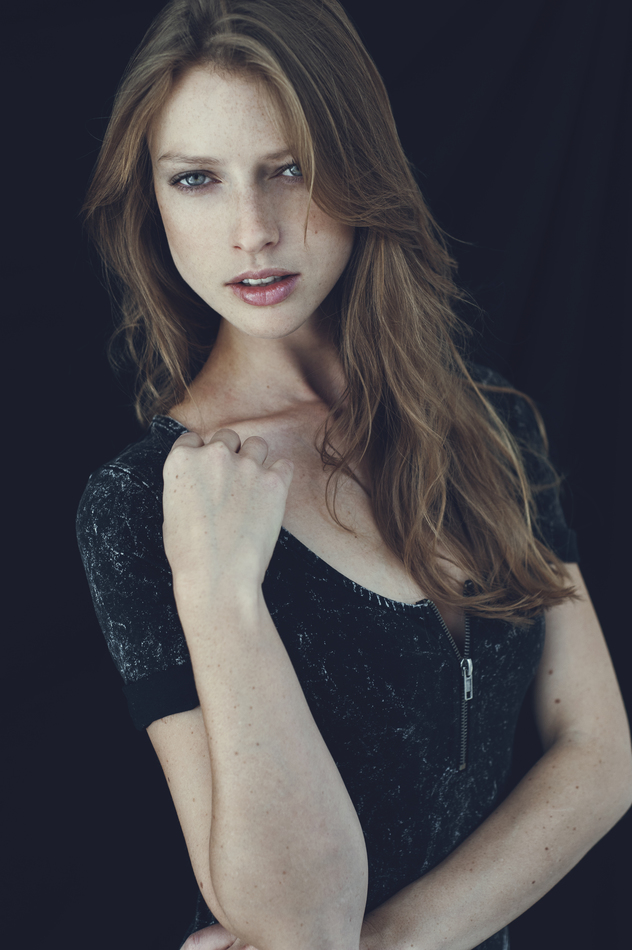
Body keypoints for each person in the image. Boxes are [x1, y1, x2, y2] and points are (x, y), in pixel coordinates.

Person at [76, 1, 632, 948]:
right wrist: (218, 595)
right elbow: (296, 925)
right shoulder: (144, 503)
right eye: (197, 179)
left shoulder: (487, 424)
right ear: (153, 203)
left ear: (358, 166)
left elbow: (598, 755)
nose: (252, 231)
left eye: (289, 168)